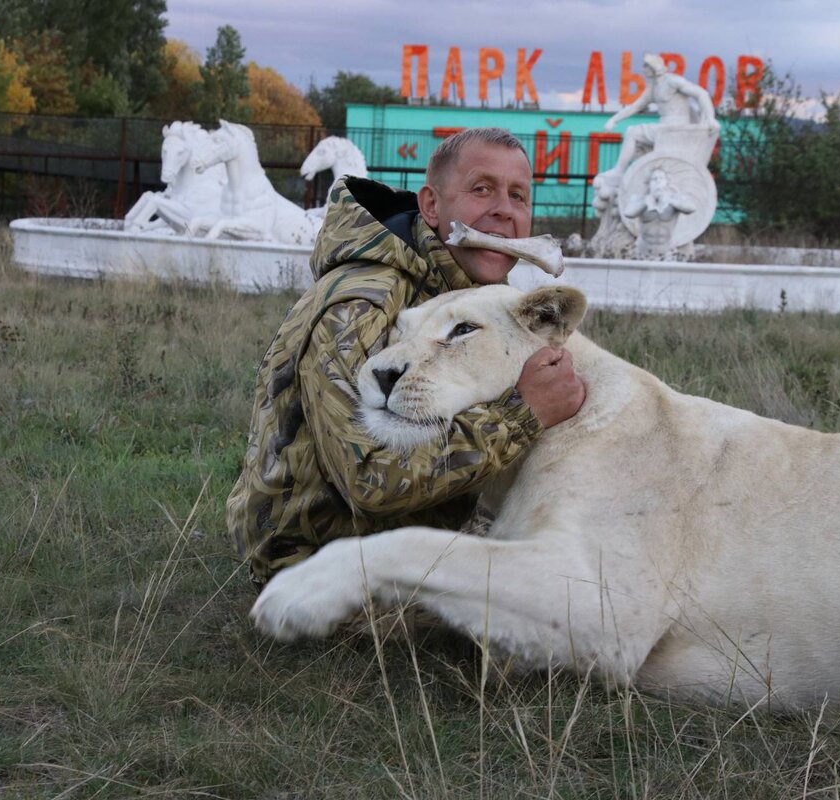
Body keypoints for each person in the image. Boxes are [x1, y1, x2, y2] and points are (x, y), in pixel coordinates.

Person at [226, 127, 585, 587]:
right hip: (320, 563)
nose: (503, 210)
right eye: (481, 189)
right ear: (432, 206)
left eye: (518, 196)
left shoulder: (474, 295)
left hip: (422, 538)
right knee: (563, 607)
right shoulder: (361, 303)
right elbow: (369, 478)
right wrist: (523, 415)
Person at [600, 53, 720, 190]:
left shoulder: (673, 81)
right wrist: (614, 120)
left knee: (632, 132)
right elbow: (636, 106)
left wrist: (710, 118)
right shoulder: (653, 88)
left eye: (646, 65)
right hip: (665, 126)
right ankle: (643, 173)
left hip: (677, 127)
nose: (643, 69)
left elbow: (701, 94)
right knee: (637, 144)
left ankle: (619, 171)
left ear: (654, 67)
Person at [623, 167, 697, 259]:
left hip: (667, 252)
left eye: (661, 178)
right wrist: (646, 202)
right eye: (654, 179)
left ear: (666, 182)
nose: (658, 181)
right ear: (649, 183)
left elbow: (691, 208)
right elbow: (628, 213)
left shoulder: (674, 198)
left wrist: (670, 201)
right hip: (642, 251)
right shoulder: (640, 198)